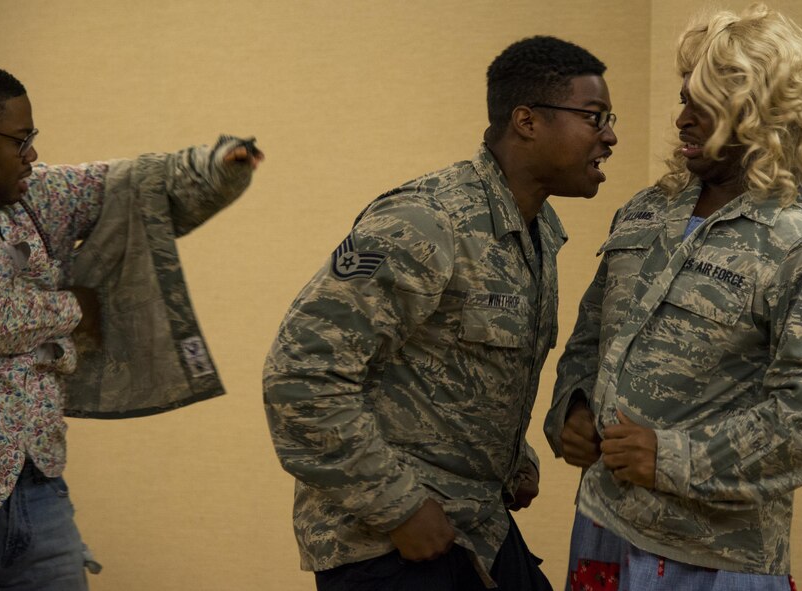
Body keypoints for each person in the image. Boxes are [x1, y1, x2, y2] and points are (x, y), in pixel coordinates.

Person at [263, 35, 617, 591]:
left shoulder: (538, 232)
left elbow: (447, 365)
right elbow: (299, 377)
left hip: (477, 523)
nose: (610, 135)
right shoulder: (424, 221)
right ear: (527, 121)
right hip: (387, 542)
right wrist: (399, 508)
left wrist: (509, 455)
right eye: (595, 117)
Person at [0, 58, 263, 590]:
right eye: (20, 140)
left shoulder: (38, 195)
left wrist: (214, 165)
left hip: (39, 479)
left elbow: (132, 185)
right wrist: (73, 310)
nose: (33, 155)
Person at [544, 4, 802, 590]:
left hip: (714, 555)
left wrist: (674, 459)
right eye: (683, 100)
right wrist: (571, 407)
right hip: (603, 523)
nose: (681, 120)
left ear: (759, 109)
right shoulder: (648, 209)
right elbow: (592, 335)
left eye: (702, 105)